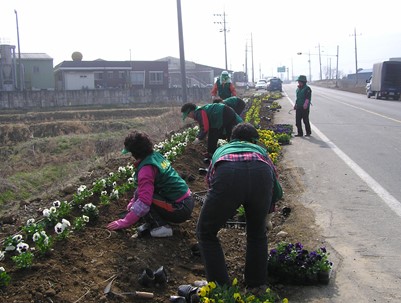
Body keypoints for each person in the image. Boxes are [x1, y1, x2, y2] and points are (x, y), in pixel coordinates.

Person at [196, 122, 281, 287]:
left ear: (231, 139)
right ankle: (256, 284)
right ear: (253, 140)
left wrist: (223, 206)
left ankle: (220, 286)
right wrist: (268, 214)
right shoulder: (261, 152)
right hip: (261, 176)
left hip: (228, 175)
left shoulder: (222, 150)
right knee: (257, 233)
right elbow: (276, 188)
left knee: (206, 232)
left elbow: (210, 182)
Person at [107, 131, 194, 237]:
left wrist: (125, 222)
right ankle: (160, 219)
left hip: (180, 208)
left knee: (145, 199)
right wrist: (132, 203)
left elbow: (144, 202)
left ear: (134, 153)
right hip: (186, 200)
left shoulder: (146, 170)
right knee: (143, 193)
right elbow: (141, 189)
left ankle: (160, 227)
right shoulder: (155, 156)